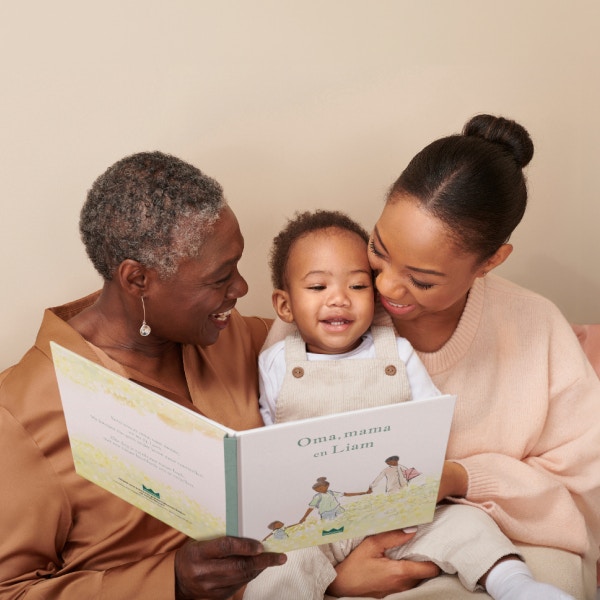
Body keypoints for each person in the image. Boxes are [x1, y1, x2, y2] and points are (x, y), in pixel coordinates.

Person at [0, 151, 289, 599]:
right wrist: (169, 581)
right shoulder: (20, 415)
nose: (242, 288)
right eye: (220, 277)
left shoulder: (233, 338)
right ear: (137, 280)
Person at [246, 208, 574, 600]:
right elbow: (267, 436)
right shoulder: (276, 362)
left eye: (357, 286)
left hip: (393, 508)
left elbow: (431, 420)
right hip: (318, 522)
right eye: (318, 288)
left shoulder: (396, 353)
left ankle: (517, 586)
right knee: (277, 562)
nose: (339, 300)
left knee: (467, 524)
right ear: (284, 306)